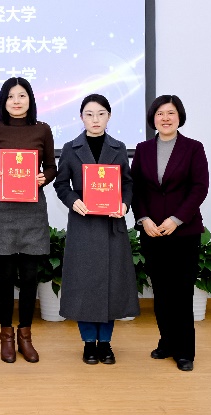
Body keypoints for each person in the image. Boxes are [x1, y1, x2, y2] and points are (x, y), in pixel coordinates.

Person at [54, 94, 139, 365]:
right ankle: (89, 343)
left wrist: (124, 204)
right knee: (85, 285)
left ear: (109, 116)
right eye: (89, 114)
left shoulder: (118, 147)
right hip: (84, 225)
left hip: (111, 225)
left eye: (101, 114)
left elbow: (128, 184)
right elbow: (61, 184)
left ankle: (106, 343)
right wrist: (73, 201)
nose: (95, 119)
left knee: (111, 285)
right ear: (81, 117)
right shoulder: (71, 148)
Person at [0, 77, 56, 363]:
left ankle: (25, 335)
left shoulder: (42, 129)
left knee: (30, 275)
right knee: (4, 276)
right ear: (4, 101)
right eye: (11, 96)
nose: (16, 101)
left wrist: (44, 177)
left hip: (32, 209)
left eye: (21, 95)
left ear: (30, 99)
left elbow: (51, 166)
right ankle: (6, 335)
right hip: (3, 208)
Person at [131, 95, 209, 372]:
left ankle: (185, 351)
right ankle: (166, 342)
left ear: (179, 116)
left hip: (184, 232)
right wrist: (143, 219)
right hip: (152, 232)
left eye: (171, 113)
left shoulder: (193, 148)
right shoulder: (142, 149)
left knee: (181, 292)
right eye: (160, 113)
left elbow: (199, 188)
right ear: (153, 118)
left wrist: (176, 219)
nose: (165, 118)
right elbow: (135, 189)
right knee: (162, 291)